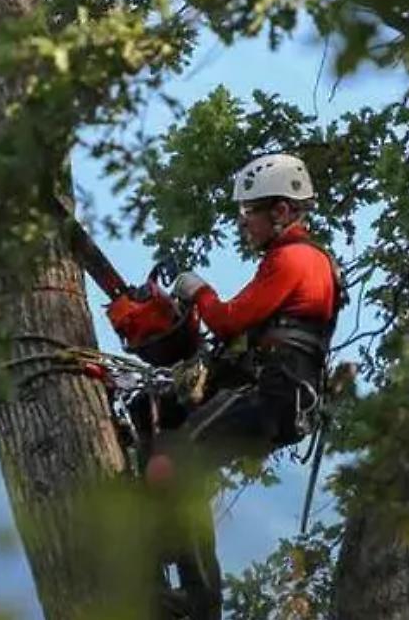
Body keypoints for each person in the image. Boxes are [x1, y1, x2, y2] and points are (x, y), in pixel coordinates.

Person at [143, 152, 343, 619]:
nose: (244, 222)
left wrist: (196, 289)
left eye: (250, 211)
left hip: (276, 392)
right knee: (168, 435)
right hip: (280, 391)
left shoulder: (295, 259)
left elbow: (230, 320)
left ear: (280, 211)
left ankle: (197, 598)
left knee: (176, 454)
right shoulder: (296, 259)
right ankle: (177, 571)